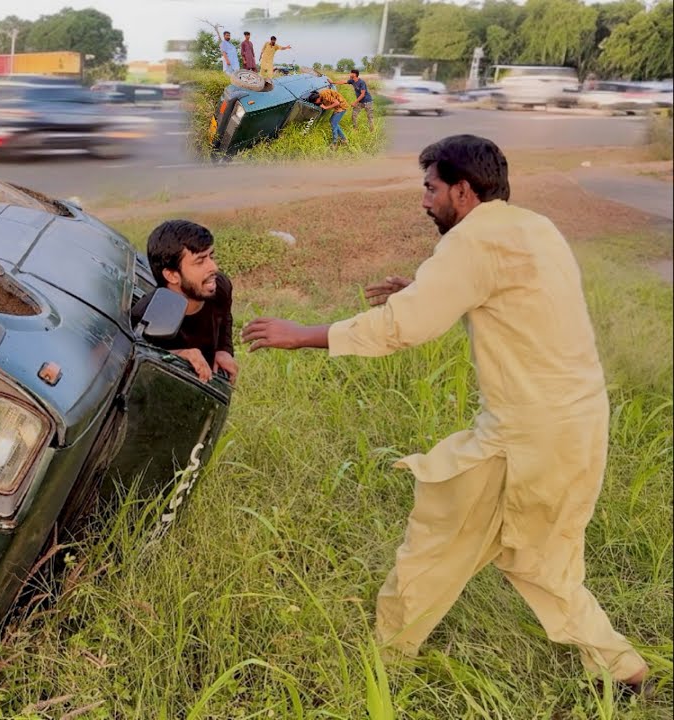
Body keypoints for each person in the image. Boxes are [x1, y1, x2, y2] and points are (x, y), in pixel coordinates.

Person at [240, 135, 652, 696]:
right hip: (575, 425)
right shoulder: (536, 227)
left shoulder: (471, 244)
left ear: (462, 189)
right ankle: (623, 671)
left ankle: (384, 665)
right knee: (534, 556)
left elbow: (401, 328)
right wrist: (422, 290)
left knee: (452, 547)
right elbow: (510, 299)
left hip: (524, 437)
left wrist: (302, 335)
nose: (425, 200)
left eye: (431, 188)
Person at [131, 220, 237, 384]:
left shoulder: (219, 287)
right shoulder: (146, 316)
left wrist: (224, 350)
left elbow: (225, 318)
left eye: (211, 256)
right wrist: (175, 356)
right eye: (200, 261)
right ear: (172, 276)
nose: (214, 267)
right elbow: (128, 358)